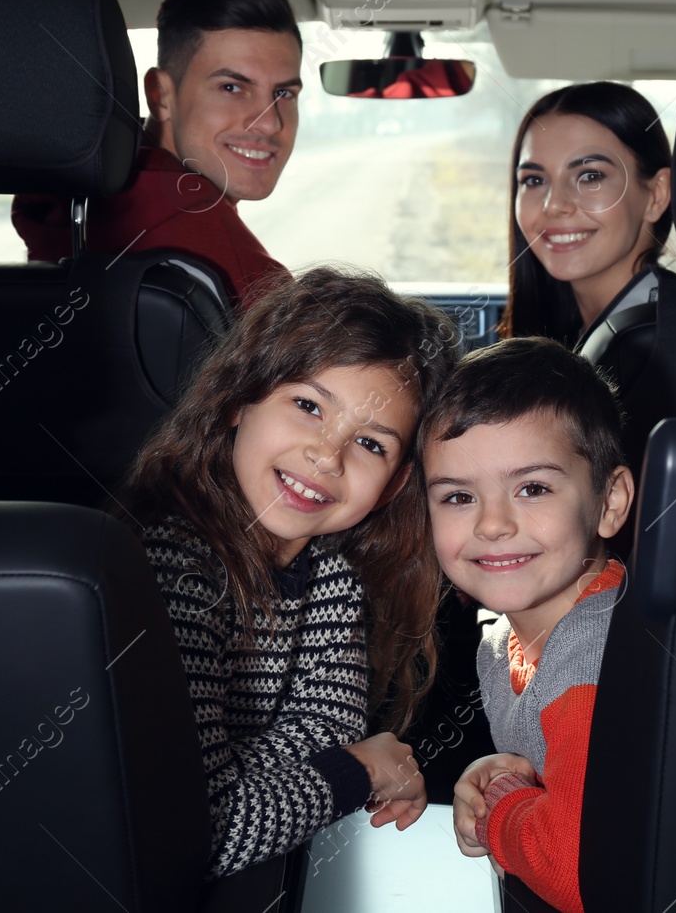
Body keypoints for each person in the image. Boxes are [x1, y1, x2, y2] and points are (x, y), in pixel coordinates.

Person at [118, 268, 459, 880]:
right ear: (237, 401)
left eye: (371, 444)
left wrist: (290, 778)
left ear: (394, 487)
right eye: (307, 407)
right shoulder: (173, 568)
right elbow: (203, 833)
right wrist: (361, 770)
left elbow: (327, 729)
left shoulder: (331, 570)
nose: (326, 456)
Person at [422, 338, 635, 913]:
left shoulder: (594, 658)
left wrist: (503, 803)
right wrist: (509, 777)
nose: (492, 524)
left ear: (610, 500)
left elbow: (574, 870)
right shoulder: (500, 640)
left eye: (533, 488)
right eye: (459, 496)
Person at [12, 0, 299, 308]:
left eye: (283, 92)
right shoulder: (243, 278)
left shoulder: (69, 204)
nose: (268, 123)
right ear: (160, 95)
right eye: (231, 87)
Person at [500, 82, 674, 347]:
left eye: (591, 176)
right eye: (534, 180)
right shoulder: (566, 335)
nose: (554, 204)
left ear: (657, 194)